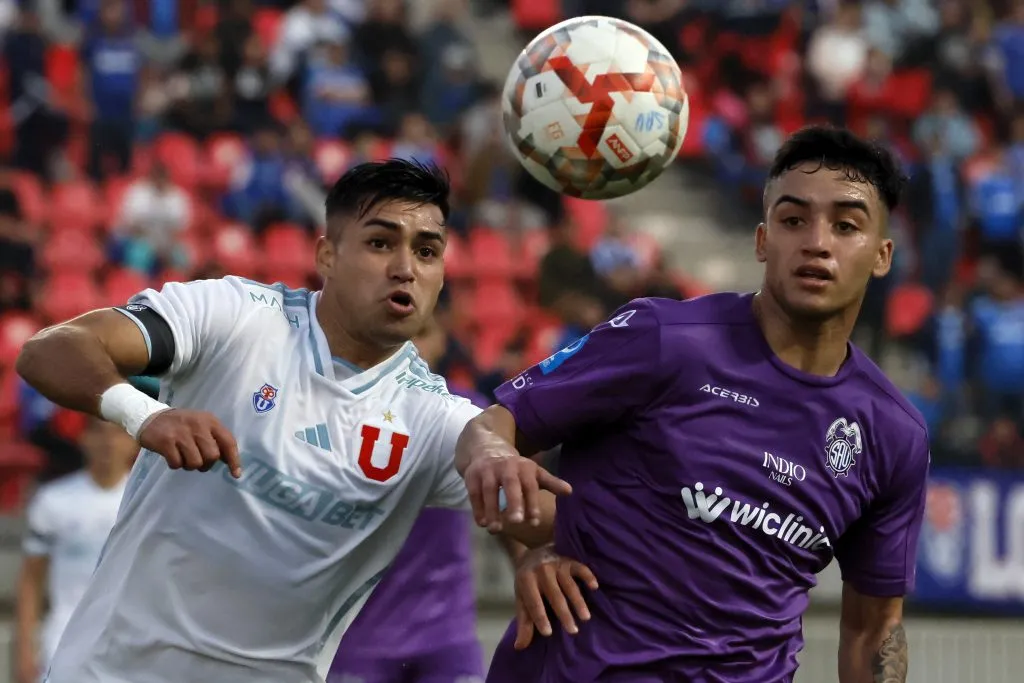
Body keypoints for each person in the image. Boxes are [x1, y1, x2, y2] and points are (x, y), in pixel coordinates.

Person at [15, 159, 565, 683]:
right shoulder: (234, 317)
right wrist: (146, 415)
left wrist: (549, 545)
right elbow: (51, 351)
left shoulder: (434, 418)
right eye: (380, 242)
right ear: (326, 255)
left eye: (427, 251)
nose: (405, 268)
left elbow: (554, 516)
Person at [456, 126, 930, 683]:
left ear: (882, 255)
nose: (817, 242)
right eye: (793, 220)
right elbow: (495, 426)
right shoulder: (664, 338)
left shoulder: (893, 434)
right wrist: (503, 488)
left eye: (845, 225)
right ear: (761, 240)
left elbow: (874, 630)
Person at [329, 316, 486, 683]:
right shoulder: (338, 413)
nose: (412, 347)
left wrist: (530, 558)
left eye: (424, 334)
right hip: (357, 635)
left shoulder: (469, 417)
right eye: (404, 336)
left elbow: (509, 500)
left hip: (446, 635)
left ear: (444, 341)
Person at [14, 419, 137, 683]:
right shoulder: (53, 500)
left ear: (134, 441)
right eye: (99, 433)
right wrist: (24, 650)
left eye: (118, 434)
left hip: (127, 646)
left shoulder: (144, 501)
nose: (108, 443)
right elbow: (30, 581)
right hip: (62, 643)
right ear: (83, 438)